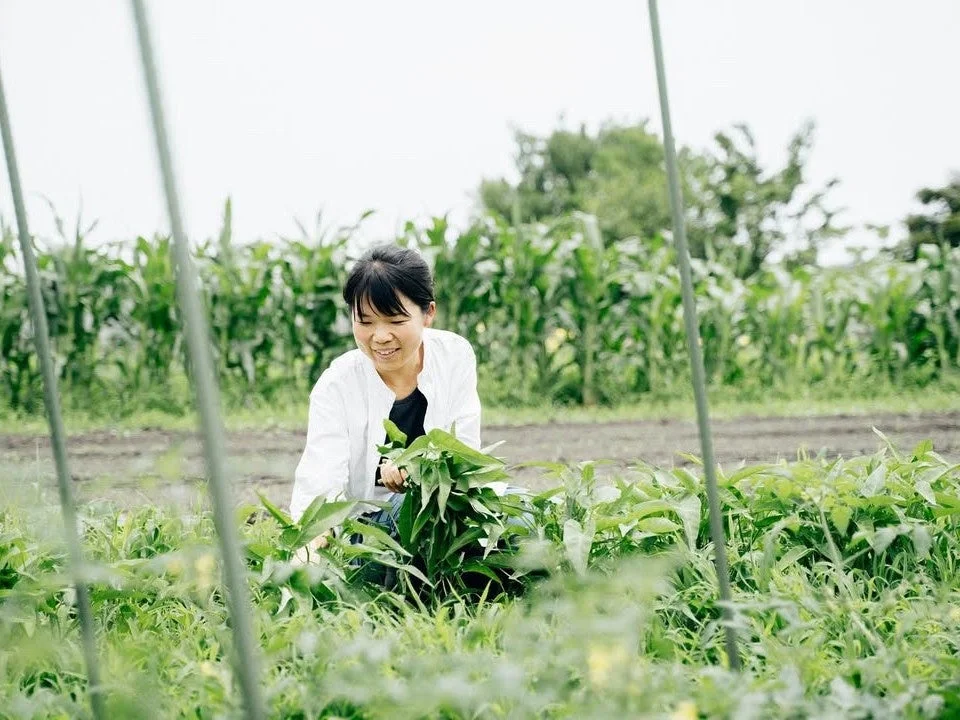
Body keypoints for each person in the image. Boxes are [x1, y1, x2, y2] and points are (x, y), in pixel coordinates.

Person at [289, 243, 482, 561]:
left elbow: (465, 453)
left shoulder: (454, 356)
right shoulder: (337, 385)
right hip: (371, 529)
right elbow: (321, 480)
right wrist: (311, 550)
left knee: (522, 517)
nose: (379, 337)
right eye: (365, 322)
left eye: (394, 321)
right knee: (402, 513)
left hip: (451, 511)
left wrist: (418, 467)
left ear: (428, 313)